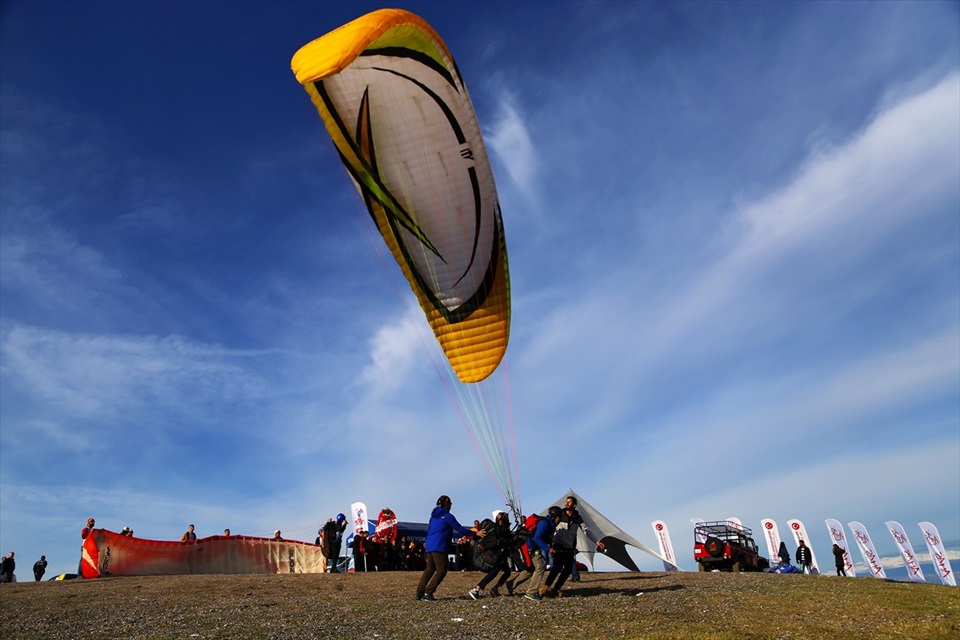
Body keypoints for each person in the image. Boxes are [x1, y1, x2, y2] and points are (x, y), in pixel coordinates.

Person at [415, 495, 484, 602]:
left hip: (430, 545)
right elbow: (460, 529)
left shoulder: (433, 517)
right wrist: (475, 533)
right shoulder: (448, 516)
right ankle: (428, 592)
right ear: (446, 504)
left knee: (429, 570)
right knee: (442, 570)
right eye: (450, 503)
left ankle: (419, 593)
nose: (451, 505)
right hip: (439, 546)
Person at [541, 496, 604, 597]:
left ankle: (557, 588)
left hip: (569, 546)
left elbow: (586, 530)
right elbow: (550, 526)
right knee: (556, 567)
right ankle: (546, 586)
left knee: (568, 569)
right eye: (566, 502)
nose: (566, 503)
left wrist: (596, 541)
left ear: (574, 505)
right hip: (558, 544)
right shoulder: (559, 514)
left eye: (569, 502)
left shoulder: (577, 517)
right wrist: (548, 541)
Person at [469, 511, 514, 599]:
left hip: (497, 555)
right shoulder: (497, 529)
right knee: (495, 571)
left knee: (507, 572)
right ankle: (476, 589)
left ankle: (495, 588)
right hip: (492, 555)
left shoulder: (498, 529)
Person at [523, 507, 559, 601]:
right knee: (540, 568)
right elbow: (537, 538)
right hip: (532, 547)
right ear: (556, 516)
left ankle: (510, 584)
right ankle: (531, 592)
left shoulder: (550, 525)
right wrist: (548, 548)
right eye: (560, 517)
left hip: (535, 547)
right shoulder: (544, 523)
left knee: (530, 570)